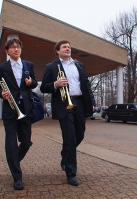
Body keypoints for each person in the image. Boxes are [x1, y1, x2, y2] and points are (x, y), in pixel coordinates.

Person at [40, 40, 95, 186]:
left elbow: (86, 85)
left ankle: (65, 155)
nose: (67, 49)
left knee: (80, 134)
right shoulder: (51, 67)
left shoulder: (79, 65)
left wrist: (92, 102)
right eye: (64, 47)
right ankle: (71, 173)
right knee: (69, 137)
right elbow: (44, 87)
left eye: (69, 47)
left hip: (79, 103)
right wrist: (55, 84)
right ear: (57, 51)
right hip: (64, 104)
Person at [0, 38, 37, 190]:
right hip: (10, 110)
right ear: (7, 51)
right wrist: (1, 93)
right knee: (11, 143)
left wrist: (30, 83)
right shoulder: (2, 67)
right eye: (12, 47)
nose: (15, 49)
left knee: (26, 142)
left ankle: (13, 161)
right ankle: (17, 177)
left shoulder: (28, 65)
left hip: (26, 108)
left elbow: (35, 83)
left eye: (18, 47)